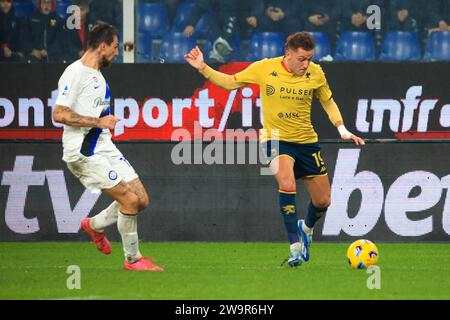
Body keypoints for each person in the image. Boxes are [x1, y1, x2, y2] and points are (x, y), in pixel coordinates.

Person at [185, 32, 365, 267]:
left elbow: (327, 101)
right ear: (288, 54)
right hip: (274, 139)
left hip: (307, 142)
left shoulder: (316, 73)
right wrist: (203, 68)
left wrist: (341, 128)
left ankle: (306, 229)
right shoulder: (264, 68)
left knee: (323, 201)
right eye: (301, 59)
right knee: (287, 183)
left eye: (309, 58)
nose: (306, 64)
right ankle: (295, 248)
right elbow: (230, 83)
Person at [52, 22, 163, 272]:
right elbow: (59, 114)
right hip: (82, 152)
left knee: (141, 200)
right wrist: (98, 122)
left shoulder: (99, 78)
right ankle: (133, 259)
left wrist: (103, 125)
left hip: (103, 145)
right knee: (129, 200)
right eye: (114, 47)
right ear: (102, 46)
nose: (117, 52)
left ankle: (94, 225)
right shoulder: (75, 73)